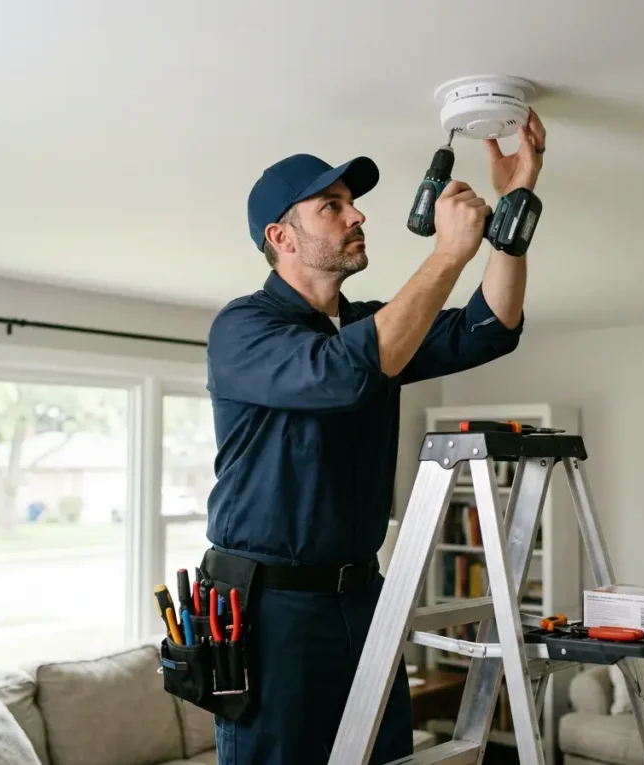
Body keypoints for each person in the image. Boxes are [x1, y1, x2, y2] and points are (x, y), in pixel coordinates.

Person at [202, 109, 547, 765]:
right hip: (272, 609)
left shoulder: (371, 326)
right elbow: (345, 375)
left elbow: (491, 324)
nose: (357, 216)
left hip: (364, 596)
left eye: (352, 203)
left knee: (383, 756)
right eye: (332, 206)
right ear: (283, 237)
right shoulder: (242, 331)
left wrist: (514, 203)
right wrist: (448, 253)